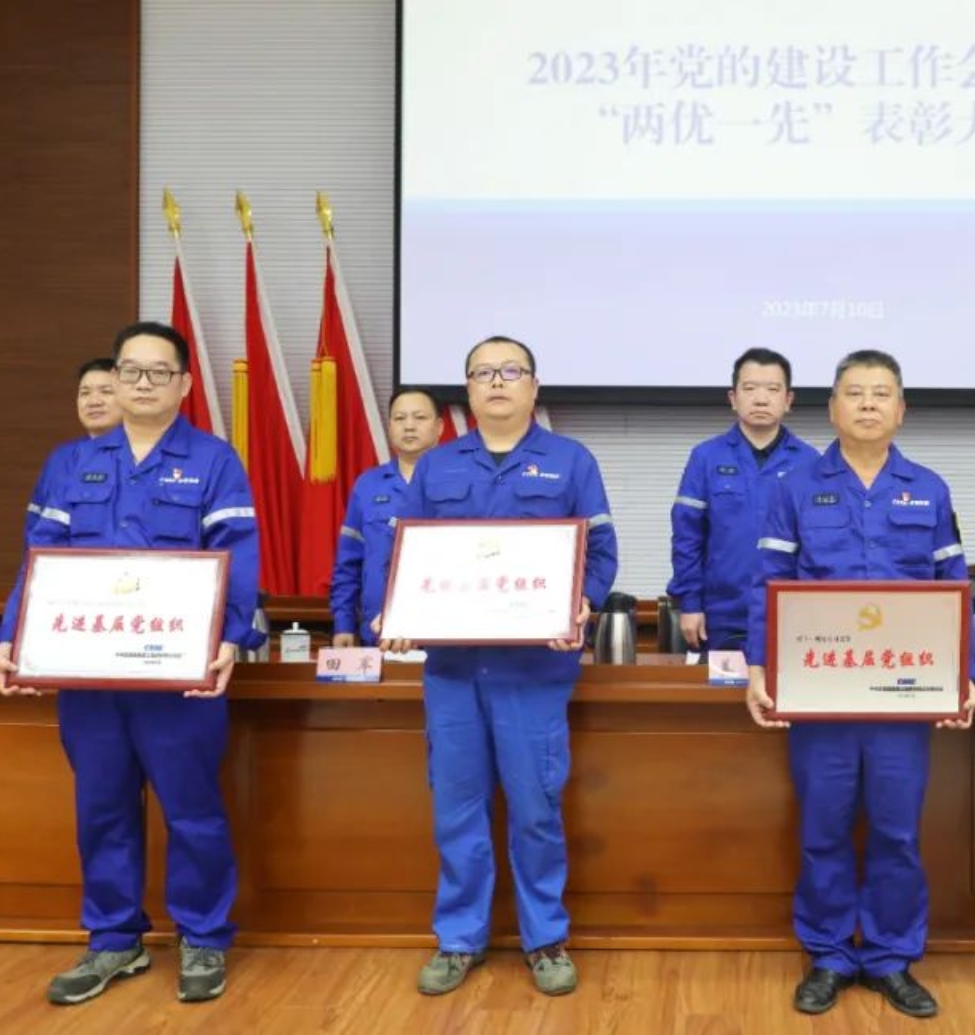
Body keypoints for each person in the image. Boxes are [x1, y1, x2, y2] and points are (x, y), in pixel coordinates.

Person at [0, 321, 259, 1006]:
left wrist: (230, 637)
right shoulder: (70, 463)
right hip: (89, 675)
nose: (143, 383)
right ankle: (114, 939)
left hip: (178, 674)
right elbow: (39, 555)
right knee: (101, 807)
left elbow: (237, 552)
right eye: (130, 370)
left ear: (184, 383)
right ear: (114, 378)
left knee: (192, 809)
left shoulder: (214, 460)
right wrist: (13, 634)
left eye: (158, 371)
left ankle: (202, 936)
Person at [378, 335, 618, 999]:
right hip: (453, 672)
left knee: (535, 807)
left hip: (533, 674)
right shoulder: (436, 466)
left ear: (534, 386)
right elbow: (407, 558)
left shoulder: (570, 461)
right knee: (457, 808)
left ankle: (545, 938)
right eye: (483, 372)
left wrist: (582, 602)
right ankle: (459, 938)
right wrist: (398, 613)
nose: (497, 382)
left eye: (511, 371)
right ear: (468, 390)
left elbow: (600, 552)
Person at [744, 349, 975, 1020]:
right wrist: (758, 667)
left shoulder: (928, 488)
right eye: (855, 392)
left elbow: (954, 587)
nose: (868, 403)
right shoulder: (794, 486)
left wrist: (961, 674)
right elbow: (767, 583)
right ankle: (827, 954)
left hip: (902, 696)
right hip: (820, 695)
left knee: (897, 832)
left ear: (901, 409)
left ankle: (888, 956)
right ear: (832, 408)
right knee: (823, 828)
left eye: (881, 393)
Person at [668, 348, 817, 651]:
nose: (761, 399)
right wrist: (690, 604)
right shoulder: (706, 457)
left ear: (788, 400)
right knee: (723, 685)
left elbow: (818, 545)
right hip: (720, 616)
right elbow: (687, 537)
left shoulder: (810, 462)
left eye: (772, 389)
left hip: (791, 615)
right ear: (733, 398)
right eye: (750, 388)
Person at [330, 387, 440, 647]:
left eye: (420, 417)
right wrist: (344, 624)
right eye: (400, 418)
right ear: (389, 426)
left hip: (442, 634)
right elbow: (348, 562)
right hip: (378, 633)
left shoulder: (459, 482)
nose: (409, 426)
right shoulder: (368, 485)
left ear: (439, 427)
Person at [24, 358, 121, 542]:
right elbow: (36, 528)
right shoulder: (61, 457)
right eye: (85, 393)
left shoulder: (143, 454)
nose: (94, 401)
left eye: (106, 391)